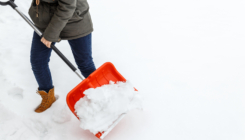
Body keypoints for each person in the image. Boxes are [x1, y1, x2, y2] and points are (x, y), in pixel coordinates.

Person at [28, 0, 96, 113]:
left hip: (74, 20)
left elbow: (67, 6)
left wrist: (50, 35)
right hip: (46, 20)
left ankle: (103, 95)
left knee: (85, 64)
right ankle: (48, 96)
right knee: (38, 61)